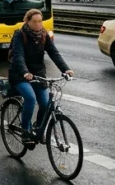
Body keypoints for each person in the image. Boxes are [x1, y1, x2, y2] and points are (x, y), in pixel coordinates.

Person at [9, 9, 73, 144]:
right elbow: (18, 56)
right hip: (20, 74)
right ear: (27, 22)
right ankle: (25, 130)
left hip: (38, 74)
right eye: (35, 22)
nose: (38, 24)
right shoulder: (20, 35)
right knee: (30, 99)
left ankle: (38, 130)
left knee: (45, 104)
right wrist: (25, 72)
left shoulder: (44, 35)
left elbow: (54, 53)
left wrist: (65, 69)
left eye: (40, 21)